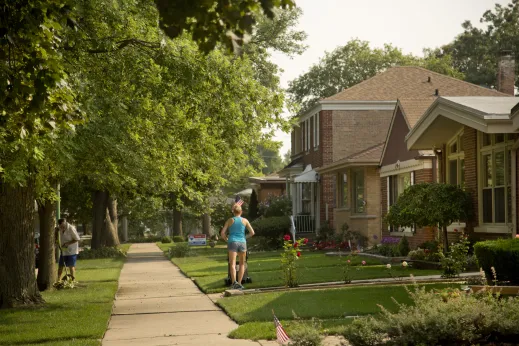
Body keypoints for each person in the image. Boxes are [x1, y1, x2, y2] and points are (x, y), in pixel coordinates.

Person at [220, 203, 255, 290]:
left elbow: (222, 233)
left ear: (233, 212)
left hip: (232, 242)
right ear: (241, 212)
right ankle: (239, 283)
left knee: (232, 263)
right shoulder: (245, 220)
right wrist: (245, 237)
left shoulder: (230, 220)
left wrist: (226, 239)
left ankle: (233, 282)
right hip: (242, 242)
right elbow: (252, 233)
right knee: (242, 263)